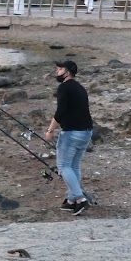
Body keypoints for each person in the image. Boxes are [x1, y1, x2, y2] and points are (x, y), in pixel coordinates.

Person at [44, 59, 93, 215]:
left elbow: (61, 112)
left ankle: (80, 199)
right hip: (86, 132)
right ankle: (71, 200)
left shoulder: (64, 88)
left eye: (59, 69)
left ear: (67, 71)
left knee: (64, 166)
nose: (57, 71)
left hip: (71, 133)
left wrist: (50, 130)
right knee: (74, 166)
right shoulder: (80, 88)